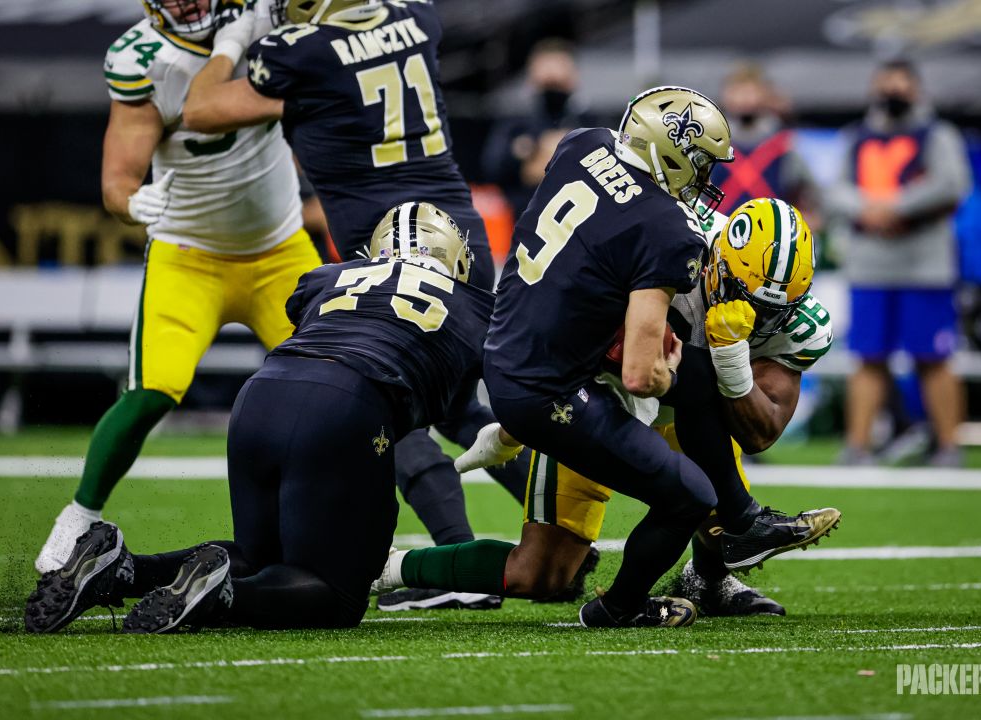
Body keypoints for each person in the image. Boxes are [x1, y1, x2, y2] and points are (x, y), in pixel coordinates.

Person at [182, 1, 533, 589]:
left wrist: (232, 42)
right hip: (455, 231)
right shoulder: (417, 20)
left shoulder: (303, 52)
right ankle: (559, 537)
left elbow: (200, 107)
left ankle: (454, 564)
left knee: (385, 395)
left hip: (392, 240)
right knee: (460, 406)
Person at [25, 203, 498, 633]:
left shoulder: (328, 276)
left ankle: (120, 569)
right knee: (338, 595)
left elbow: (311, 319)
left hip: (260, 394)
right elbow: (497, 387)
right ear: (454, 258)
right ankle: (223, 597)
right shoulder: (477, 307)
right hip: (348, 405)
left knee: (259, 556)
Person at [375, 199, 841, 617]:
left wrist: (732, 356)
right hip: (595, 399)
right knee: (542, 572)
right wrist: (513, 430)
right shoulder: (671, 240)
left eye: (769, 309)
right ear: (716, 258)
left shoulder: (797, 323)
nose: (753, 315)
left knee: (708, 414)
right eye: (744, 296)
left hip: (684, 412)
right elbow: (572, 332)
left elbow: (761, 431)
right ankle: (391, 568)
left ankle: (708, 576)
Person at [33, 0, 322, 574]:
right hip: (190, 255)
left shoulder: (267, 19)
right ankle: (80, 515)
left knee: (339, 391)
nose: (184, 2)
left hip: (280, 250)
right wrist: (130, 202)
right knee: (151, 391)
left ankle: (348, 523)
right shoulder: (142, 59)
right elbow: (118, 178)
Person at [825, 59, 972, 467]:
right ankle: (858, 447)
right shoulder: (857, 137)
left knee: (934, 357)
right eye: (886, 83)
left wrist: (893, 207)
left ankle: (948, 446)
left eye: (901, 84)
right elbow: (834, 189)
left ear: (916, 89)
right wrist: (868, 208)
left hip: (925, 266)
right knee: (868, 356)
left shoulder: (937, 134)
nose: (892, 91)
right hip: (870, 265)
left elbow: (954, 183)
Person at [481, 38, 599, 218]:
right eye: (545, 74)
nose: (552, 77)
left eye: (559, 74)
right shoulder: (515, 124)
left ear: (574, 76)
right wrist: (528, 151)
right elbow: (492, 168)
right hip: (523, 222)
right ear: (531, 76)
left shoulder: (589, 123)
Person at [711, 63, 819, 217]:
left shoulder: (784, 144)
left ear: (766, 95)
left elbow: (808, 195)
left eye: (750, 92)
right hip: (719, 231)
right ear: (725, 95)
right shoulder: (709, 143)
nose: (744, 99)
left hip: (771, 232)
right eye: (737, 92)